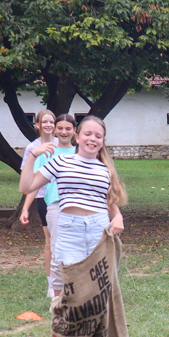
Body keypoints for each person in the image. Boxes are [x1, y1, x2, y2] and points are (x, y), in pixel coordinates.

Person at [18, 116, 126, 269]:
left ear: (102, 141)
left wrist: (118, 216)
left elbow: (108, 199)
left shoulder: (105, 168)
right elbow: (26, 187)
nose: (92, 139)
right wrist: (33, 155)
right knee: (69, 275)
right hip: (70, 228)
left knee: (99, 275)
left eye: (98, 136)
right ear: (77, 137)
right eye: (87, 134)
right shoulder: (61, 162)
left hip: (99, 227)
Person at [21, 113, 76, 297]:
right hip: (55, 206)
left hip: (78, 207)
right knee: (56, 248)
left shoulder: (80, 153)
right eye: (60, 128)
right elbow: (33, 184)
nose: (63, 132)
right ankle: (56, 290)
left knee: (76, 248)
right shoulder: (47, 153)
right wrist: (25, 208)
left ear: (74, 131)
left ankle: (75, 288)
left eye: (68, 128)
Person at [18, 109, 58, 295]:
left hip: (64, 198)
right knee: (50, 241)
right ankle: (52, 283)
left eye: (52, 122)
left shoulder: (62, 145)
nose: (48, 125)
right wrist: (25, 208)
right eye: (45, 122)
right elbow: (31, 182)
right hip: (44, 199)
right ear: (37, 125)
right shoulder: (32, 149)